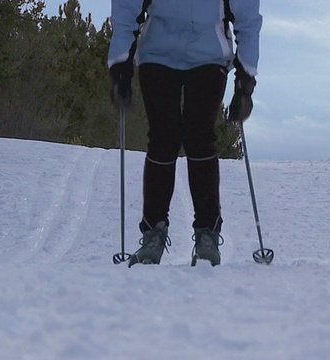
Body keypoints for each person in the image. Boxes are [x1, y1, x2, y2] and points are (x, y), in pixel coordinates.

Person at [108, 0, 261, 267]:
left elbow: (247, 16)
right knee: (162, 137)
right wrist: (121, 63)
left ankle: (207, 235)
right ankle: (153, 233)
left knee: (199, 136)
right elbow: (126, 7)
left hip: (209, 54)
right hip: (158, 51)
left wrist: (246, 78)